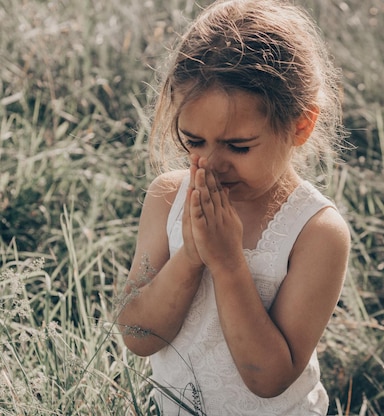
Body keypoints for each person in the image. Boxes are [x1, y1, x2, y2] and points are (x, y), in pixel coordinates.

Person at [116, 0, 351, 414]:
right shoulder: (167, 198)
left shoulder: (316, 232)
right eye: (193, 141)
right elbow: (137, 334)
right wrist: (190, 256)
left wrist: (227, 264)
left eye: (238, 146)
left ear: (301, 125)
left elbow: (269, 379)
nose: (210, 163)